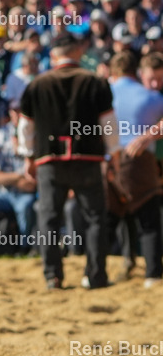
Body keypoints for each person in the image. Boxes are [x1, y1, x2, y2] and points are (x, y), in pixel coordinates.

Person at [18, 33, 119, 290]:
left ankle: (53, 276)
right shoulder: (95, 82)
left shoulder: (37, 85)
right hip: (88, 159)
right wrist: (113, 155)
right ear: (78, 53)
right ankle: (96, 276)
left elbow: (25, 128)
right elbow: (109, 125)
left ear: (54, 55)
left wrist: (28, 156)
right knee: (95, 218)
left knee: (49, 218)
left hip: (50, 161)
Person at [105, 50, 163, 288]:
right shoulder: (151, 97)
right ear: (137, 72)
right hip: (139, 160)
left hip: (110, 161)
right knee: (147, 217)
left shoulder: (104, 94)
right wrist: (149, 136)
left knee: (113, 218)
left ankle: (96, 272)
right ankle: (152, 273)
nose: (156, 83)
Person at [0, 131, 37, 254]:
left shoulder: (31, 155)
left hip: (24, 195)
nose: (19, 142)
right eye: (16, 139)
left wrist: (7, 179)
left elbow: (31, 185)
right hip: (5, 194)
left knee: (24, 207)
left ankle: (24, 247)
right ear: (12, 139)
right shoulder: (4, 153)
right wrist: (18, 177)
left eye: (21, 139)